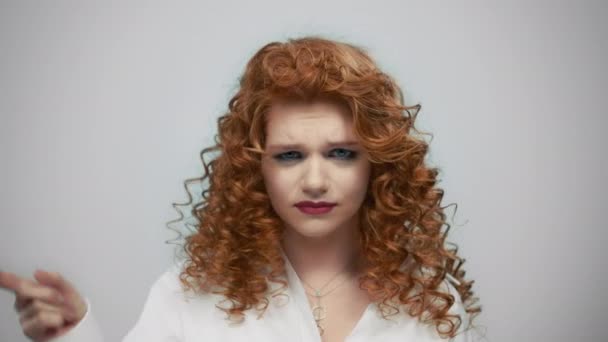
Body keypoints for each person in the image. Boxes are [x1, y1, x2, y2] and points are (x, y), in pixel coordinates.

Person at [0, 35, 482, 342]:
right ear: (257, 168)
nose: (315, 180)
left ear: (375, 165)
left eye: (341, 153)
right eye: (289, 155)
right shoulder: (190, 296)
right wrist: (70, 335)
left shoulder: (430, 300)